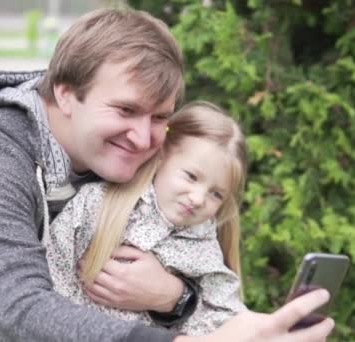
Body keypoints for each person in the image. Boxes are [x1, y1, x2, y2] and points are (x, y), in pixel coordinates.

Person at [0, 7, 335, 342]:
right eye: (126, 110)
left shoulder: (120, 155)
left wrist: (173, 298)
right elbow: (17, 312)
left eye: (159, 117)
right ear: (66, 93)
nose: (144, 137)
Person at [43, 101, 248, 336]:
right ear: (161, 156)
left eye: (216, 194)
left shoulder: (204, 247)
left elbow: (225, 321)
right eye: (191, 176)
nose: (199, 198)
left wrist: (177, 300)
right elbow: (50, 271)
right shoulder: (100, 203)